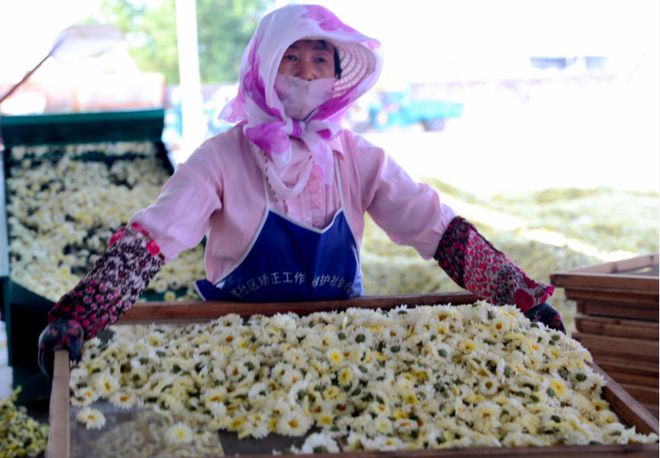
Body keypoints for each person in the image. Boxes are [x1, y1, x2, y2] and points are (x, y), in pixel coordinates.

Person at [38, 3, 564, 376]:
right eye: (292, 58)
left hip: (341, 350)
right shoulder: (221, 157)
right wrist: (80, 315)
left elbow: (434, 226)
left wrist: (516, 295)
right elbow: (155, 239)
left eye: (320, 61)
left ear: (335, 77)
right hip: (239, 354)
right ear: (264, 67)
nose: (306, 72)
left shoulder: (356, 157)